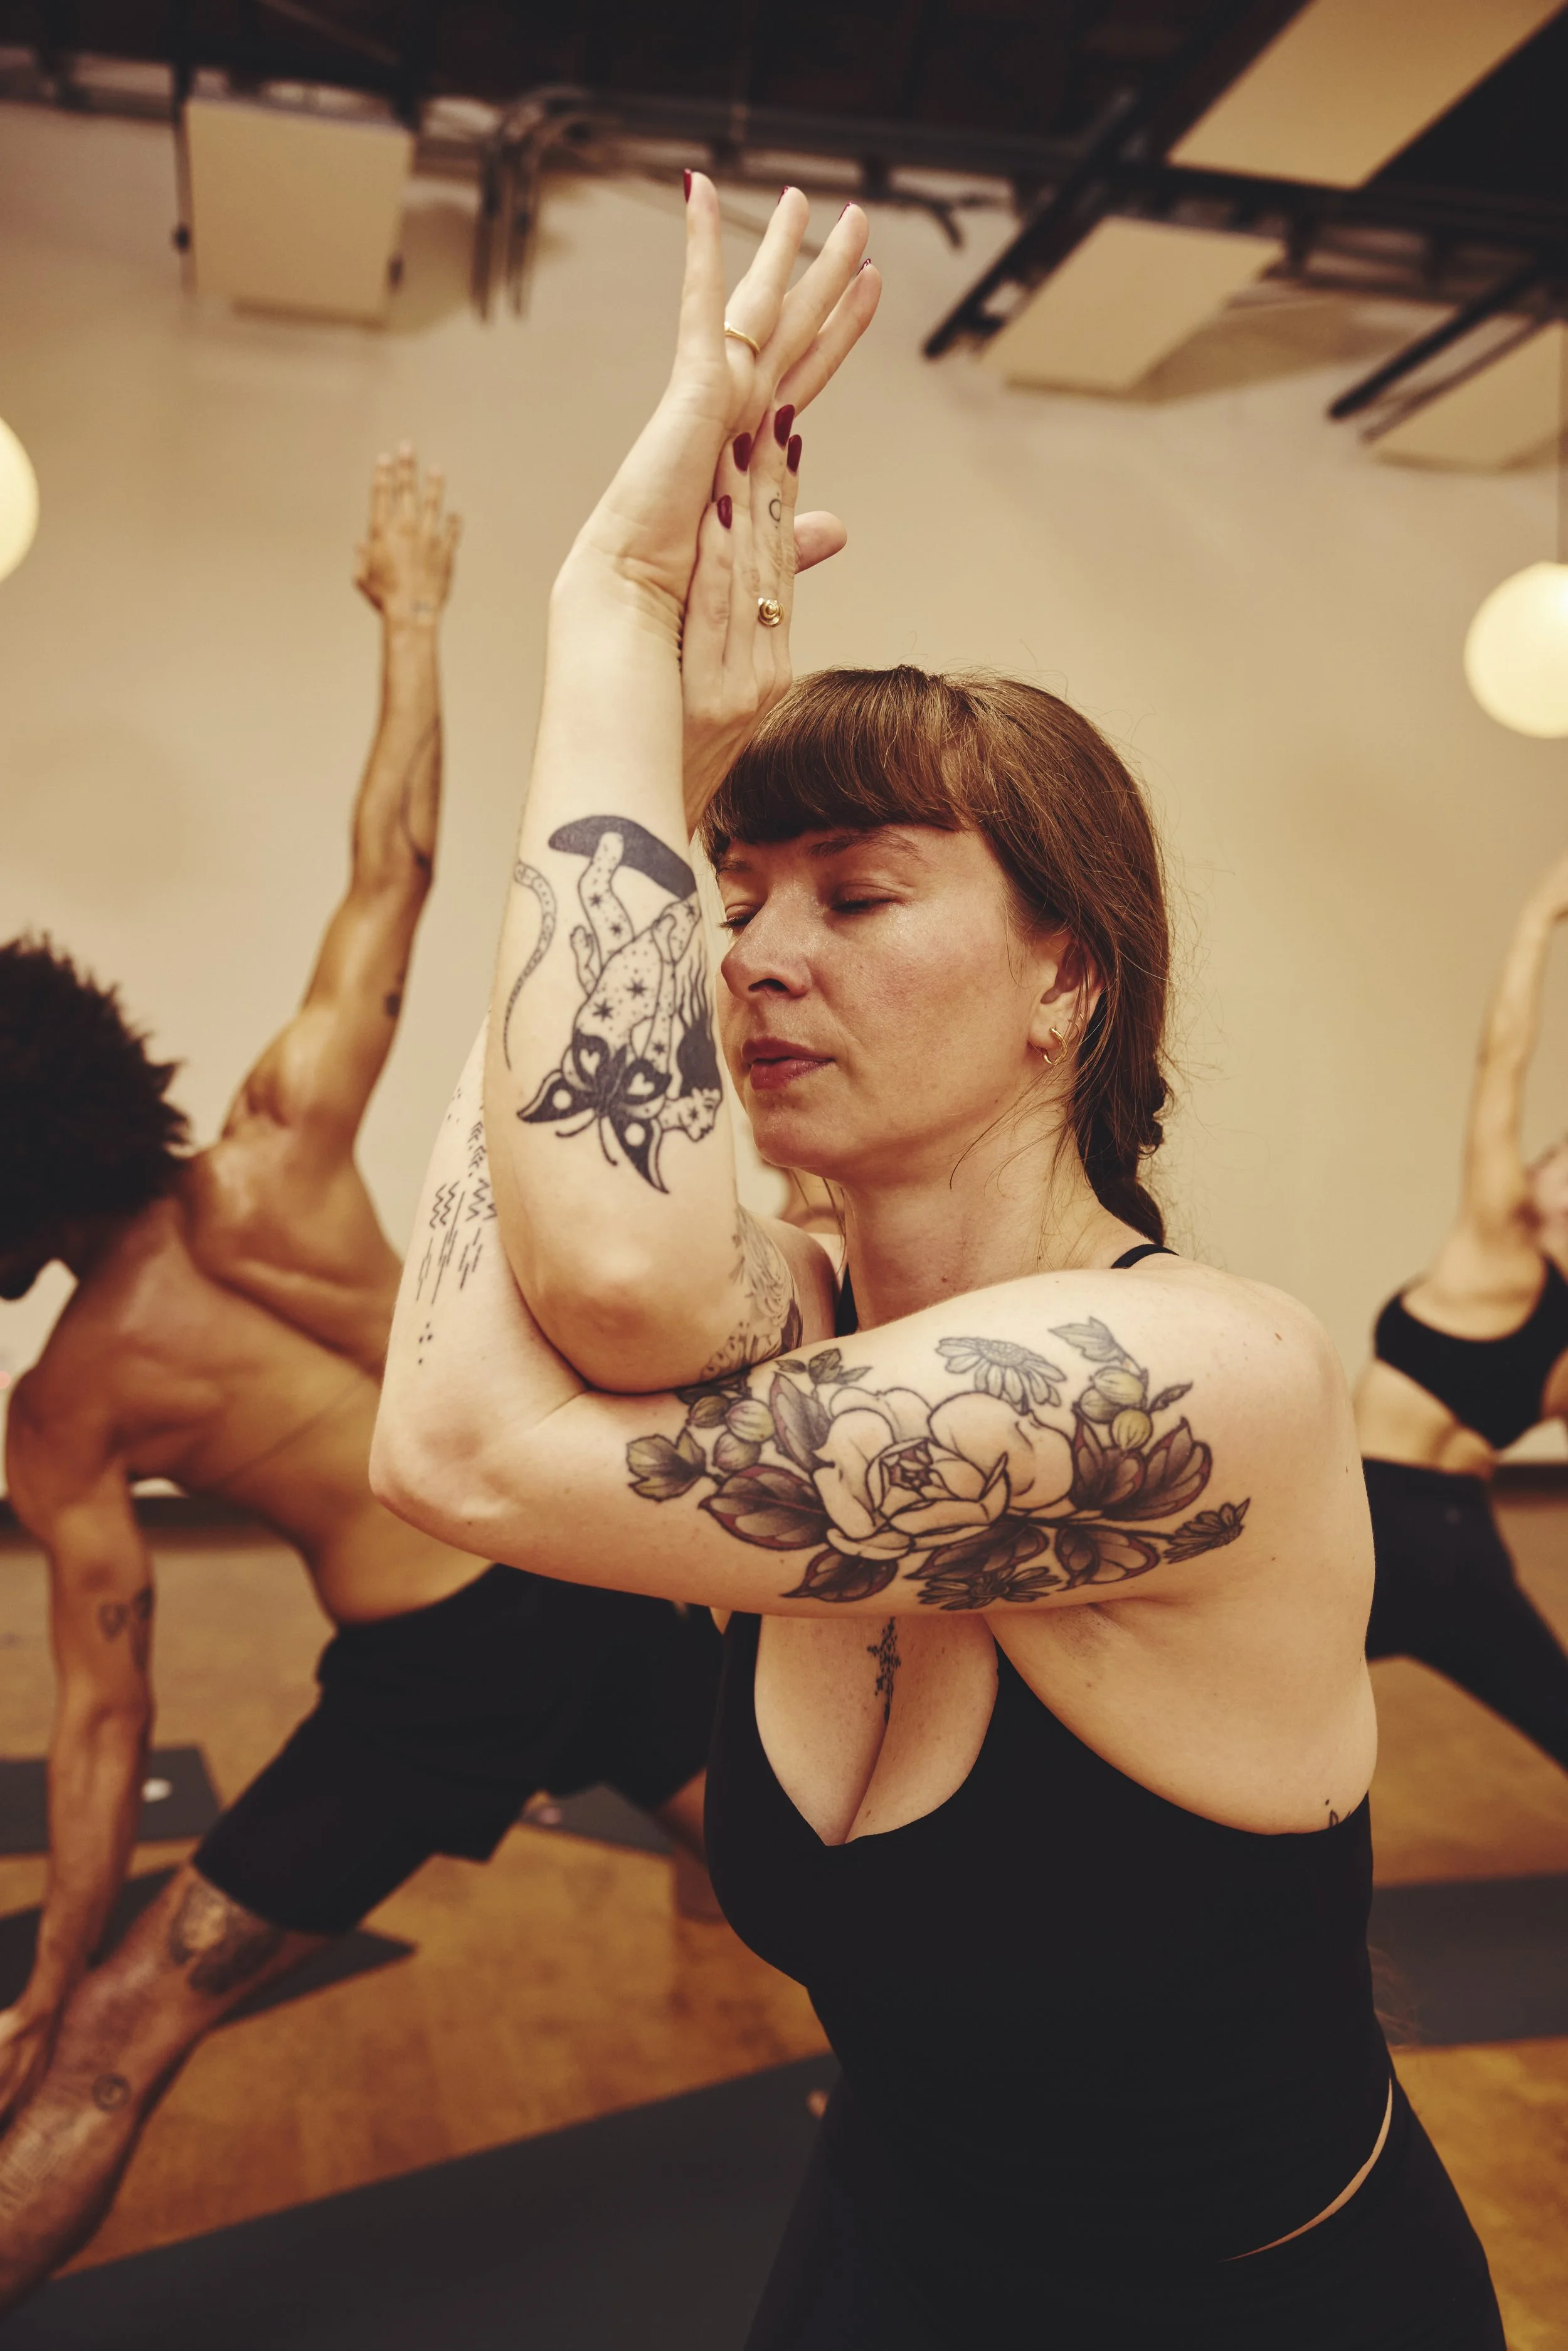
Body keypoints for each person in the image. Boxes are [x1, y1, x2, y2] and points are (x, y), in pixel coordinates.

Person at [370, 181, 1503, 2347]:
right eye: (736, 882)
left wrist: (615, 616)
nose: (753, 950)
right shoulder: (792, 1321)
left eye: (857, 894)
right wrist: (668, 771)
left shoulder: (1198, 1384)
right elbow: (577, 1276)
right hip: (897, 2235)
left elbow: (464, 1426)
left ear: (1068, 970)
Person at [0, 450, 719, 2310]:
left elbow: (104, 1715)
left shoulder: (69, 1408)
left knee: (117, 2047)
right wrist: (411, 619)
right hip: (590, 1554)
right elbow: (392, 865)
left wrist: (58, 1967)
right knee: (816, 1887)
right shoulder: (283, 1137)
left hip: (439, 1673)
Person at [1356, 855, 1568, 1766]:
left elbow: (1504, 1056)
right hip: (1465, 1552)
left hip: (1372, 1527)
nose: (1535, 1161)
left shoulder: (1501, 1247)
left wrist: (1544, 913)